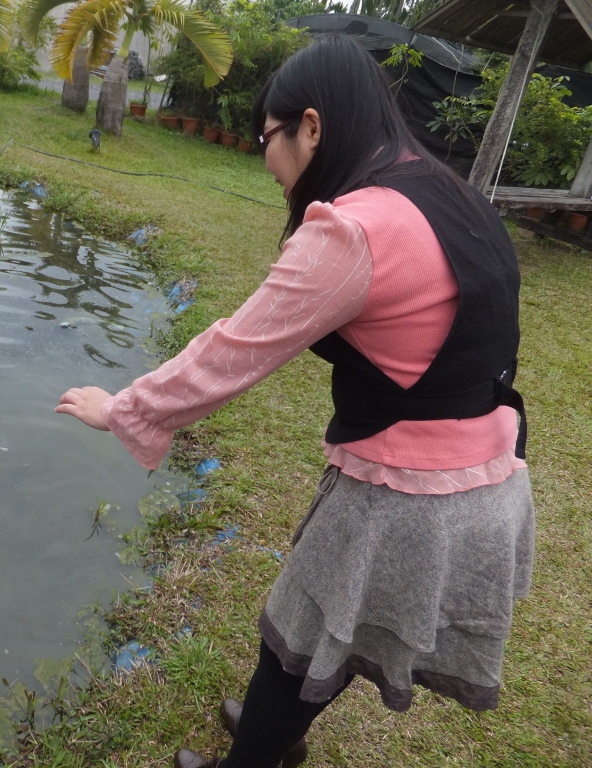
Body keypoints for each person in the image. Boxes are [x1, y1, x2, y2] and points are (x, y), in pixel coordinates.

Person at [55, 34, 534, 768]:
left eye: (267, 138)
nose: (267, 159)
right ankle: (275, 736)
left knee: (294, 638)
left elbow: (233, 350)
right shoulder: (445, 189)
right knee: (339, 626)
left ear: (310, 125)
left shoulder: (353, 228)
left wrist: (123, 408)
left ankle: (255, 757)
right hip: (488, 477)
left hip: (409, 495)